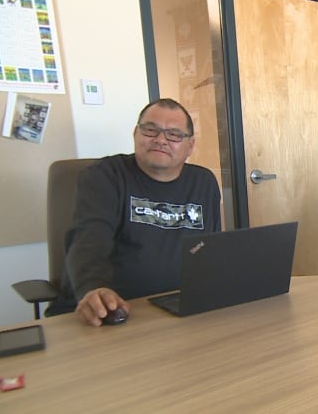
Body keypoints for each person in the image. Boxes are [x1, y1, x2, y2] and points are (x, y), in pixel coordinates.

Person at [48, 98, 222, 326]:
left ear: (190, 146)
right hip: (115, 312)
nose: (160, 140)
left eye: (174, 134)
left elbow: (211, 249)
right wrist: (93, 287)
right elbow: (88, 240)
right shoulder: (103, 177)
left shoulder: (204, 182)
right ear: (136, 134)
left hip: (181, 310)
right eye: (151, 130)